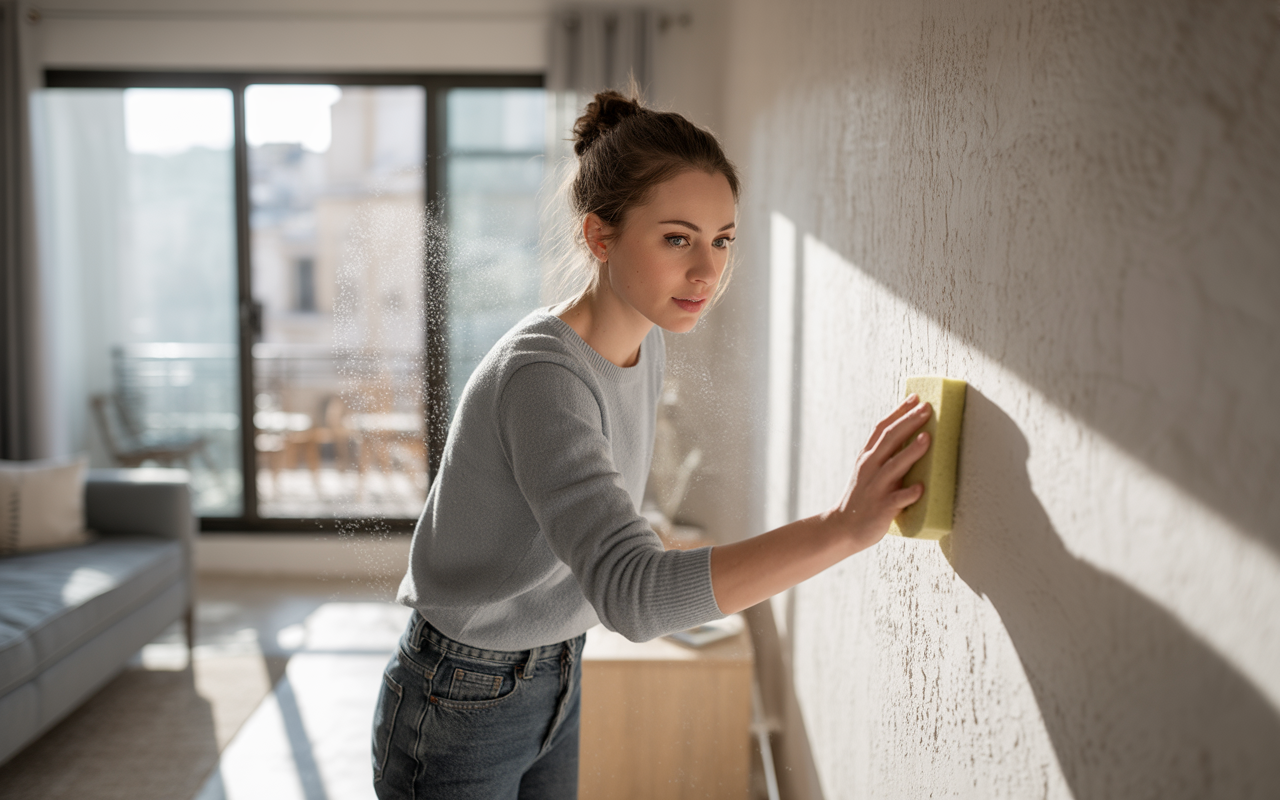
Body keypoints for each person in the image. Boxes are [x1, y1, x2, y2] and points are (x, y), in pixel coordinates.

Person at [371, 89, 933, 800]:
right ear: (600, 237)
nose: (707, 270)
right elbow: (631, 598)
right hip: (462, 695)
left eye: (722, 239)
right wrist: (844, 529)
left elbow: (583, 512)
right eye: (677, 238)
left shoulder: (645, 339)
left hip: (555, 670)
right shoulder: (543, 378)